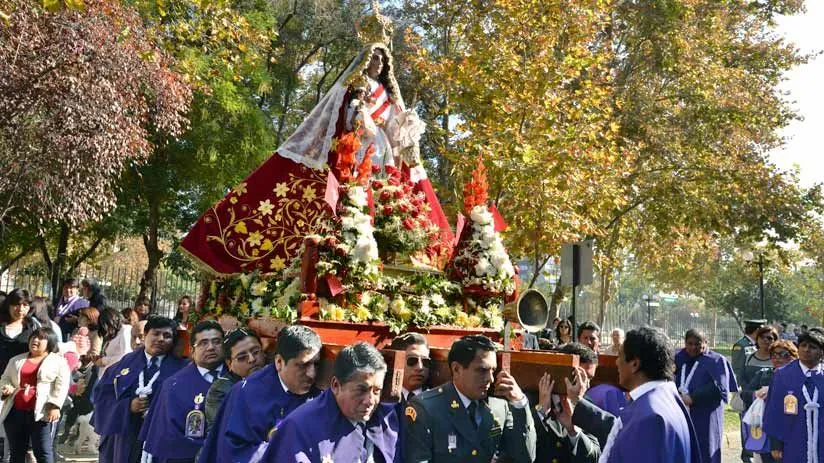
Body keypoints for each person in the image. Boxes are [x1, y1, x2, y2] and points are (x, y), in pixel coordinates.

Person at [570, 326, 701, 462]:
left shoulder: (649, 417)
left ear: (634, 364)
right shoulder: (667, 397)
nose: (616, 362)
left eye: (620, 356)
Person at [198, 325, 323, 463]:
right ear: (279, 362)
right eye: (302, 365)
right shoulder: (242, 394)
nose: (312, 374)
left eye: (316, 364)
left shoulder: (322, 396)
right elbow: (233, 452)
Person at [404, 335, 536, 462]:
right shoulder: (427, 408)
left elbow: (525, 457)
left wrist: (520, 402)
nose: (490, 379)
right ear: (456, 369)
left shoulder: (498, 406)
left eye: (493, 371)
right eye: (482, 370)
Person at [264, 342, 401, 462]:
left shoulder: (387, 420)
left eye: (377, 391)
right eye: (361, 390)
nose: (370, 401)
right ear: (336, 385)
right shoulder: (300, 427)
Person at [92, 316, 186, 463]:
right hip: (125, 439)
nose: (161, 339)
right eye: (156, 333)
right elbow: (102, 399)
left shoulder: (182, 369)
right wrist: (127, 406)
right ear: (146, 335)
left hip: (160, 442)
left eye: (167, 336)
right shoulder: (123, 365)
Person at [139, 320, 226, 463]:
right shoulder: (173, 385)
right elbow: (167, 438)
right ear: (192, 351)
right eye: (203, 343)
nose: (211, 347)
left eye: (217, 342)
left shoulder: (238, 377)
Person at [0, 328, 70, 463]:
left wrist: (54, 405)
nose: (35, 340)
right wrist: (5, 387)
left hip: (42, 413)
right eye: (33, 337)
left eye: (41, 338)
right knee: (16, 453)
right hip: (15, 413)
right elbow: (5, 378)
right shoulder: (16, 360)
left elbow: (62, 385)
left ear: (50, 342)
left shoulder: (58, 361)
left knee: (43, 452)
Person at [675, 329, 738, 463]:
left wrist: (693, 397)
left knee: (706, 449)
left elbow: (719, 387)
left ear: (706, 342)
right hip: (681, 412)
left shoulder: (715, 361)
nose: (693, 347)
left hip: (705, 414)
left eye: (697, 344)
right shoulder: (679, 358)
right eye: (689, 343)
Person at [763, 327, 824, 463]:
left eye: (813, 347)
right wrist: (776, 444)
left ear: (822, 353)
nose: (807, 350)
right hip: (793, 439)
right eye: (803, 346)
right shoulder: (782, 375)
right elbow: (773, 411)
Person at [740, 340, 798, 463]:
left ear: (793, 356)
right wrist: (756, 394)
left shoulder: (798, 377)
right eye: (774, 355)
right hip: (764, 430)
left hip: (789, 430)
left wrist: (772, 392)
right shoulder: (763, 374)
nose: (777, 358)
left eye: (783, 354)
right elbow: (744, 393)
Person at [532, 369, 600, 462]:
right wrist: (541, 411)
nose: (586, 385)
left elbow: (594, 457)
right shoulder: (529, 398)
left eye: (589, 379)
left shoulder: (586, 405)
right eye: (582, 377)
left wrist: (573, 431)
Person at [203, 328, 265, 429]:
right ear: (229, 363)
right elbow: (227, 432)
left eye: (256, 352)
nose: (252, 359)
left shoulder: (277, 377)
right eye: (242, 357)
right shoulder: (220, 390)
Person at [732, 319, 766, 463]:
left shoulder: (757, 346)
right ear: (757, 330)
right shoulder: (741, 345)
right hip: (749, 392)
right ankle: (747, 455)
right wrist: (746, 391)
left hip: (762, 393)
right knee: (747, 424)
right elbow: (738, 370)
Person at [739, 326, 778, 410]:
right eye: (762, 337)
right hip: (750, 401)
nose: (765, 340)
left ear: (775, 341)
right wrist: (749, 393)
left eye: (769, 338)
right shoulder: (748, 357)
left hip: (771, 402)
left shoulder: (777, 359)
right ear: (757, 339)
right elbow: (741, 377)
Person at [389, 332, 430, 404]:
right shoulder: (381, 399)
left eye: (425, 361)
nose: (420, 367)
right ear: (395, 362)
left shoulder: (436, 401)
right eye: (412, 360)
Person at [93, 307, 133, 378]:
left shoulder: (125, 331)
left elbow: (125, 356)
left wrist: (104, 361)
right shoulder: (115, 333)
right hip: (107, 375)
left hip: (116, 376)